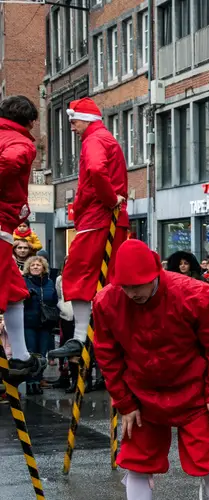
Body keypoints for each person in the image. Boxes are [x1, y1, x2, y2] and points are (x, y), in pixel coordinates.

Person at [92, 240, 209, 500]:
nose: (131, 293)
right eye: (125, 287)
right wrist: (124, 402)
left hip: (193, 391)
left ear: (155, 273)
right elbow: (107, 354)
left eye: (138, 286)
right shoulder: (107, 301)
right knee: (135, 461)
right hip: (141, 396)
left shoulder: (196, 295)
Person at [47, 97, 129, 360]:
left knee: (77, 271)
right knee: (106, 278)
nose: (71, 126)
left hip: (98, 216)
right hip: (104, 216)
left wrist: (108, 199)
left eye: (73, 120)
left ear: (85, 120)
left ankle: (81, 336)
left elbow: (95, 169)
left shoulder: (94, 140)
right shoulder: (102, 139)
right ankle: (108, 333)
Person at [0, 95, 46, 376]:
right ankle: (19, 354)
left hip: (5, 224)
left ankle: (20, 354)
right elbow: (11, 162)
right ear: (29, 121)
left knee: (15, 291)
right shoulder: (20, 143)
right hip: (1, 223)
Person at [21, 256, 57, 394]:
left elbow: (54, 299)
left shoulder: (49, 282)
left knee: (42, 354)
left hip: (45, 323)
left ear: (43, 268)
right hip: (28, 322)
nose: (35, 267)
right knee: (31, 352)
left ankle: (38, 380)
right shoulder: (24, 281)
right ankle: (30, 382)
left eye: (38, 265)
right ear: (29, 268)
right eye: (33, 265)